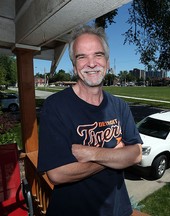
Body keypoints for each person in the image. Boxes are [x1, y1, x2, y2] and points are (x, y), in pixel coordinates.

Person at [37, 25, 143, 216]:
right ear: (74, 66)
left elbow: (135, 154)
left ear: (107, 62)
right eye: (82, 57)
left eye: (98, 55)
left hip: (118, 210)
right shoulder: (55, 107)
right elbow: (57, 173)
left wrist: (91, 153)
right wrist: (115, 153)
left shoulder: (120, 106)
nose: (91, 63)